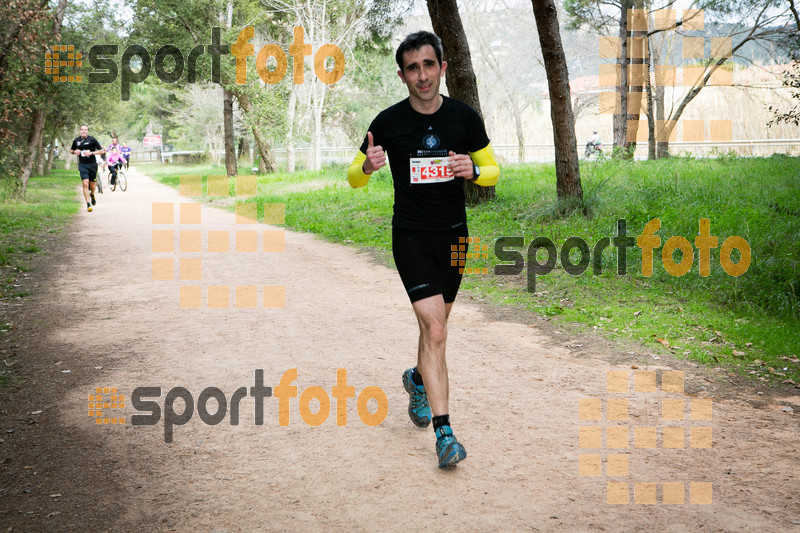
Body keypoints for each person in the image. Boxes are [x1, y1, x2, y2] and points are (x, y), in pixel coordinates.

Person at [347, 31, 499, 468]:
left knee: (436, 327)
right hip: (410, 237)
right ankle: (445, 434)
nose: (423, 75)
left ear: (442, 68)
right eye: (413, 68)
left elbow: (493, 170)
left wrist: (474, 169)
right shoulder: (389, 123)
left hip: (454, 238)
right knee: (435, 331)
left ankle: (417, 379)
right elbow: (352, 177)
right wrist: (365, 167)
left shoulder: (465, 118)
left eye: (429, 65)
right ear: (402, 75)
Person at [70, 125, 105, 212]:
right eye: (82, 129)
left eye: (85, 130)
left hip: (92, 164)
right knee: (85, 183)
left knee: (92, 184)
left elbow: (101, 151)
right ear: (80, 131)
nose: (84, 131)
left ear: (88, 131)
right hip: (82, 165)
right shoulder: (76, 140)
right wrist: (75, 151)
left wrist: (91, 153)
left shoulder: (92, 139)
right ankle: (88, 204)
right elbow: (71, 150)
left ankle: (92, 194)